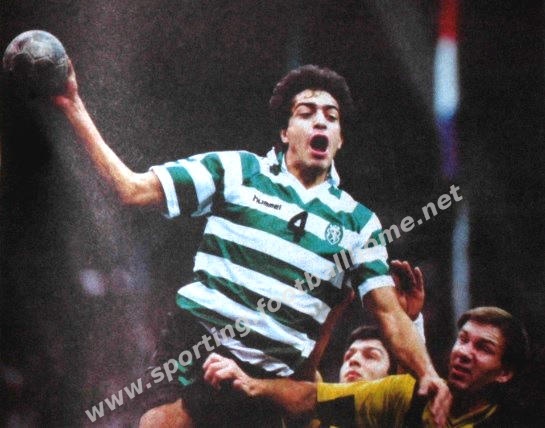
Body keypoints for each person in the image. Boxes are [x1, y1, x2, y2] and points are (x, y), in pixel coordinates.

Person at [52, 62, 450, 426]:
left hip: (268, 381)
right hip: (197, 345)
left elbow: (389, 314)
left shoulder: (359, 224)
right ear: (285, 132)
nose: (321, 122)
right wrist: (73, 105)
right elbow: (132, 189)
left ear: (340, 139)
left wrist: (429, 374)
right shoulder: (239, 171)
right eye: (306, 112)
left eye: (332, 117)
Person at [203, 306, 530, 427]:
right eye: (463, 340)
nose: (465, 353)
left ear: (505, 373)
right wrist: (250, 384)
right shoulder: (401, 394)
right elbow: (309, 396)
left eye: (483, 348)